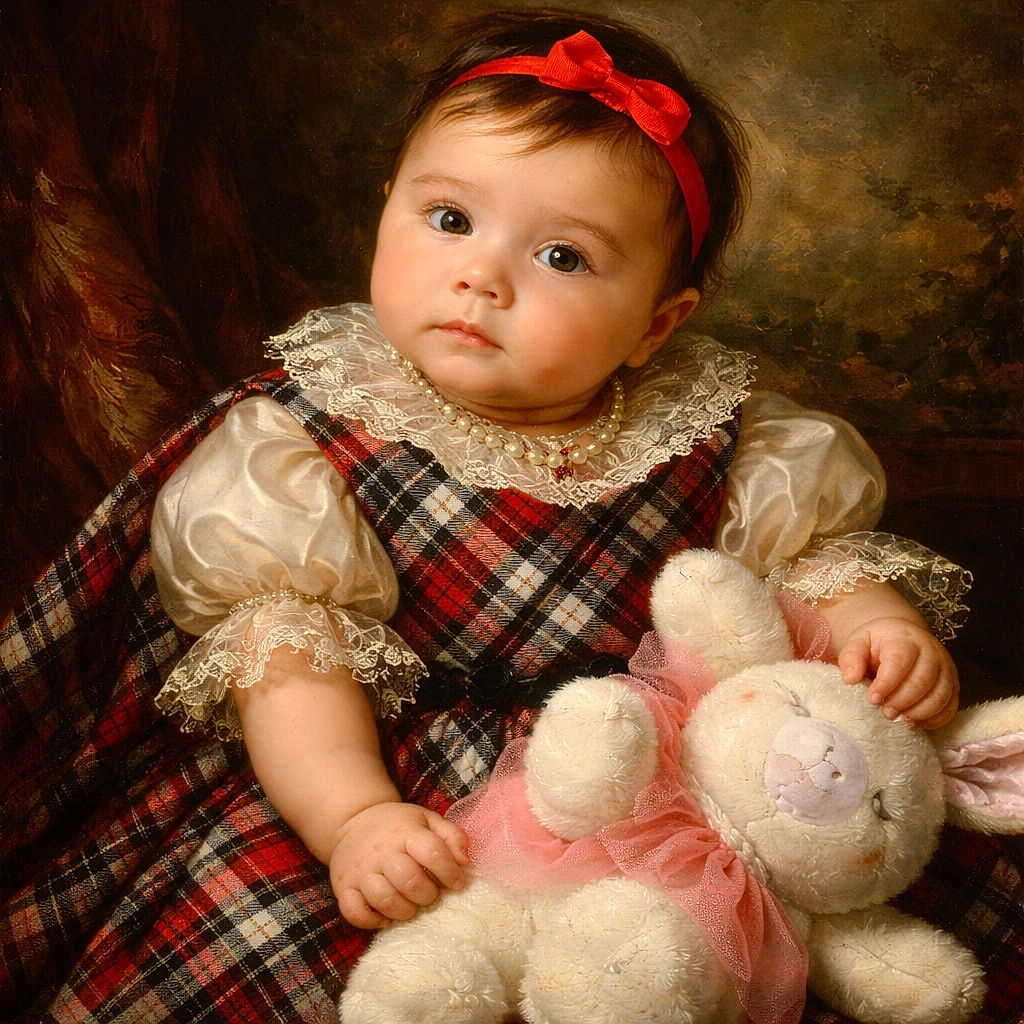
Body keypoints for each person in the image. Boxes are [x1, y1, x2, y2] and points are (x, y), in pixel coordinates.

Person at [2, 8, 987, 1024]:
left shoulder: (719, 441)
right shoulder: (303, 445)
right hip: (401, 781)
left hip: (654, 786)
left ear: (657, 323)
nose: (482, 274)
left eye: (562, 257)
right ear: (386, 209)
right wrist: (353, 821)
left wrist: (878, 625)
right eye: (448, 219)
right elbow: (290, 666)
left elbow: (808, 562)